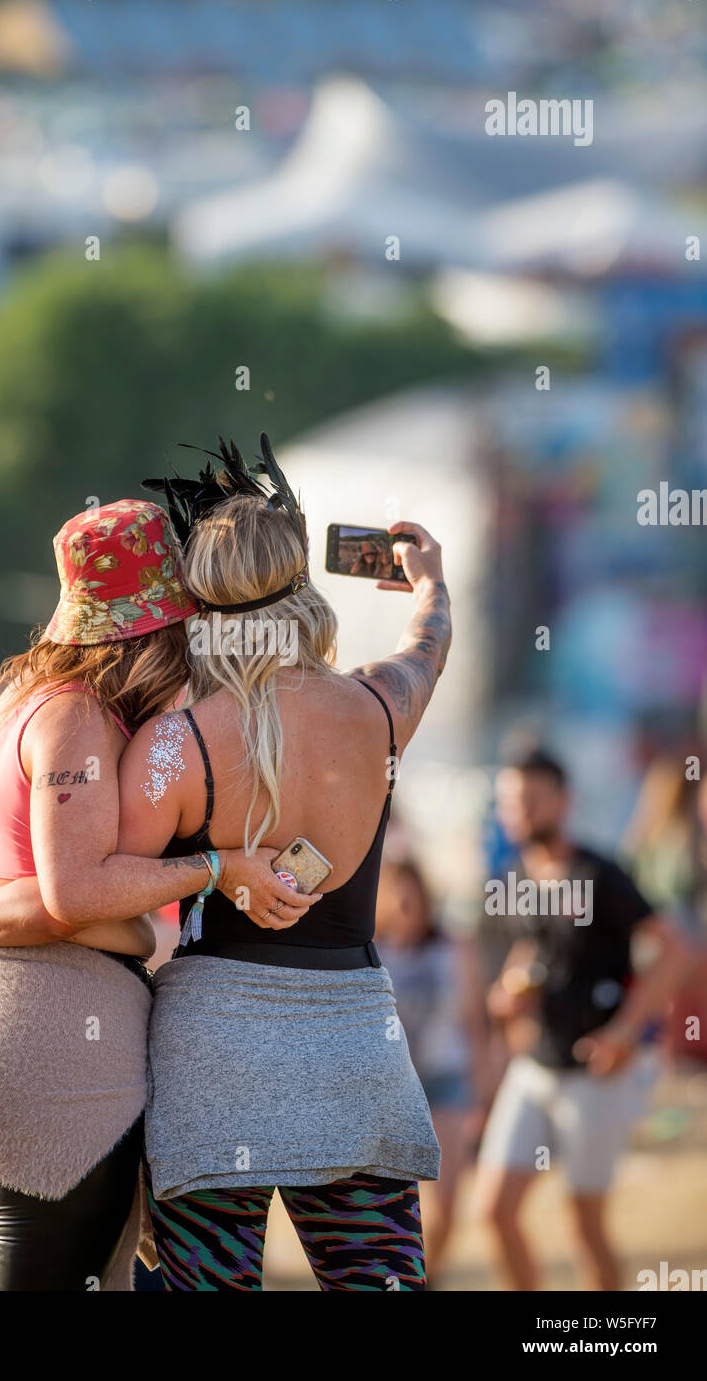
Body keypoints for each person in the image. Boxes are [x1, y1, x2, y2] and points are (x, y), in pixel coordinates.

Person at [0, 498, 315, 1292]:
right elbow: (70, 895)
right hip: (43, 1065)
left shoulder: (18, 705)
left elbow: (22, 889)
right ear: (148, 634)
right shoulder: (78, 716)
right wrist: (217, 867)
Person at [113, 435, 450, 1290]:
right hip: (351, 1038)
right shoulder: (378, 705)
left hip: (212, 1051)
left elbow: (104, 891)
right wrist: (429, 582)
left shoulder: (174, 746)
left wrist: (215, 865)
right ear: (303, 586)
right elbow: (428, 645)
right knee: (378, 1282)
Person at [476, 747, 690, 1291]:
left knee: (584, 1227)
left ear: (564, 801)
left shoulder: (600, 873)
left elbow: (678, 951)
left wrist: (623, 1030)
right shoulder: (511, 876)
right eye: (508, 800)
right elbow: (526, 959)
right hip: (535, 1067)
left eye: (529, 798)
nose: (517, 811)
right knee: (494, 1212)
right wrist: (507, 996)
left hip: (595, 1075)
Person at [375, 856, 490, 1279]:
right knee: (396, 1202)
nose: (407, 907)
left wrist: (483, 1094)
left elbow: (477, 1023)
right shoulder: (371, 951)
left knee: (448, 1200)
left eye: (414, 898)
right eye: (398, 899)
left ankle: (429, 1277)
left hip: (447, 1082)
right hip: (390, 1087)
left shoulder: (455, 948)